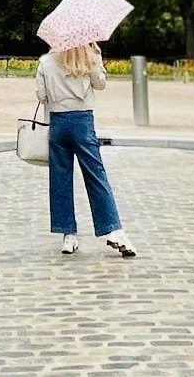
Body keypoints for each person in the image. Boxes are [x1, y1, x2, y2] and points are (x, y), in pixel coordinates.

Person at [34, 42, 136, 258]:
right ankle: (113, 229)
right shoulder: (87, 57)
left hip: (57, 122)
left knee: (60, 178)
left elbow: (41, 95)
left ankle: (68, 234)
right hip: (82, 121)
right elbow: (100, 84)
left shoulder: (46, 62)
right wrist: (97, 58)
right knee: (95, 175)